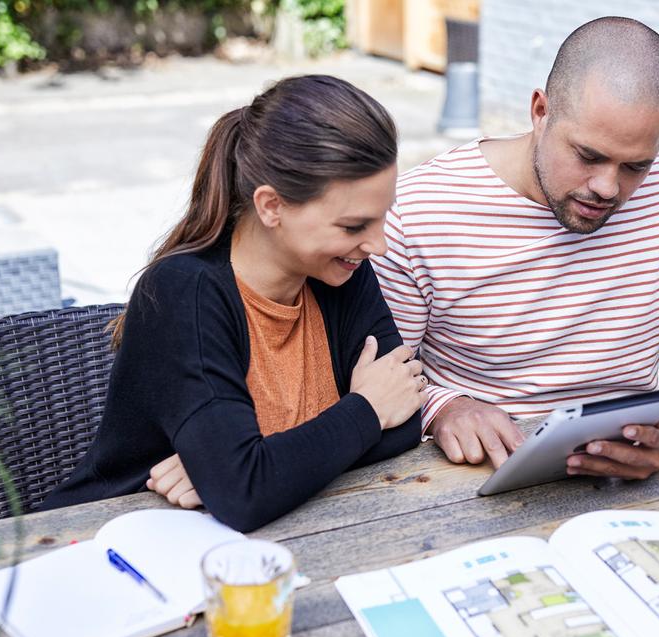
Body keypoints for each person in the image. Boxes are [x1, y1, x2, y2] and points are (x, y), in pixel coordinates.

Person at [373, 17, 659, 479]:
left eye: (635, 166)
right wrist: (447, 408)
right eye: (588, 156)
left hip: (627, 481)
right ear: (540, 110)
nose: (607, 187)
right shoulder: (419, 210)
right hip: (469, 473)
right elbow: (380, 379)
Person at [41, 75, 425, 532]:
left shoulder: (341, 273)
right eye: (353, 225)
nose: (377, 245)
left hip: (272, 537)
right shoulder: (184, 293)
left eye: (382, 218)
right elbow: (246, 494)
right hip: (112, 538)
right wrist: (362, 411)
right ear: (271, 206)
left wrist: (250, 462)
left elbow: (403, 419)